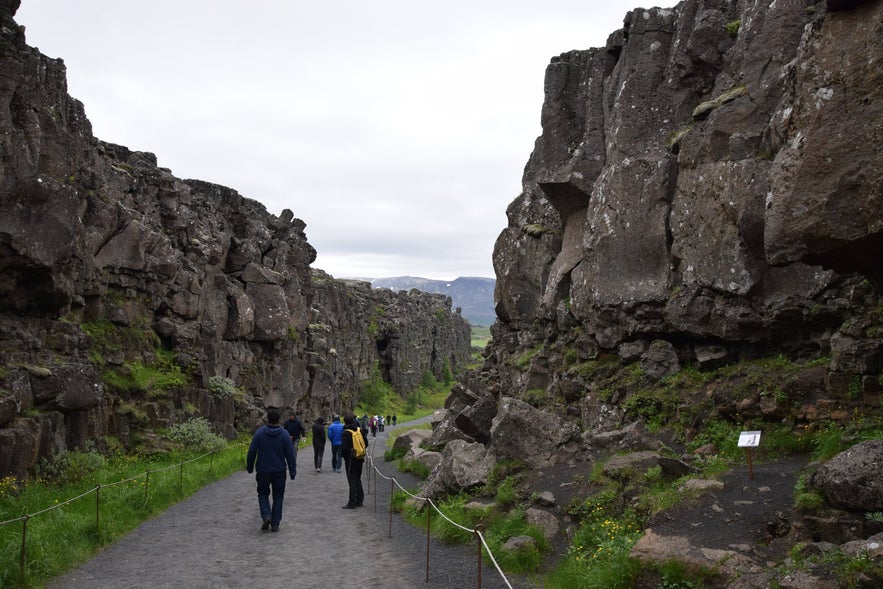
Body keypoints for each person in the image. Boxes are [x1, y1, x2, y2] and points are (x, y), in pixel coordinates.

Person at [246, 406, 297, 532]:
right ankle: (275, 524)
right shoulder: (284, 435)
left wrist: (250, 466)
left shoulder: (260, 433)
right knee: (278, 496)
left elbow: (252, 451)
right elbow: (290, 454)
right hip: (279, 470)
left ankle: (266, 515)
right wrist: (292, 471)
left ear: (267, 419)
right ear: (279, 420)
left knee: (262, 493)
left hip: (263, 470)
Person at [340, 414, 365, 509]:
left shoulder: (346, 432)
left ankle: (352, 502)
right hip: (360, 457)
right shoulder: (359, 430)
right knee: (358, 478)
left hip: (350, 459)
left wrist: (344, 456)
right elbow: (365, 443)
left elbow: (344, 448)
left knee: (352, 480)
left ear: (345, 422)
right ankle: (360, 500)